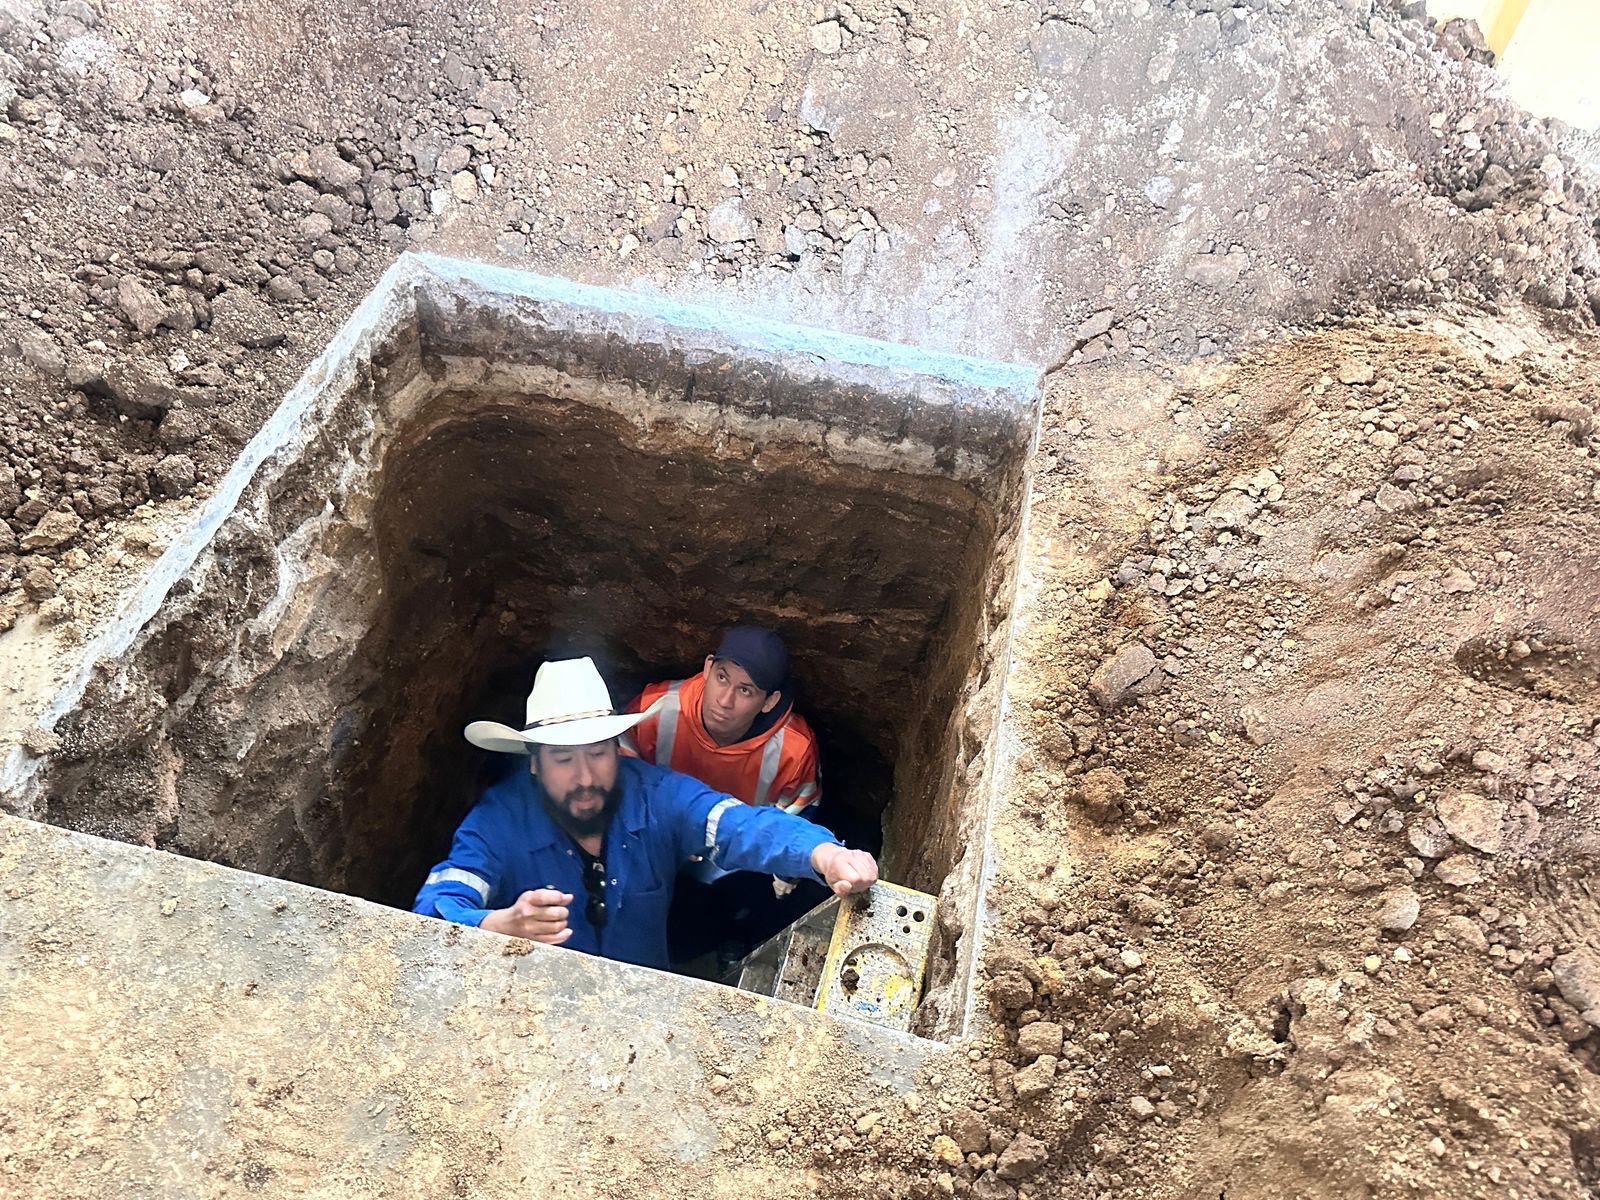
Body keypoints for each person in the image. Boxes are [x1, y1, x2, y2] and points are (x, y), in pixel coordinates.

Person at [412, 657, 878, 970]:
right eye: (562, 759)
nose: (584, 777)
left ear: (617, 749)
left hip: (645, 1012)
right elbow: (435, 908)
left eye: (597, 753)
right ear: (534, 763)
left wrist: (821, 853)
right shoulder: (498, 821)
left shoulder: (656, 796)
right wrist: (493, 926)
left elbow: (737, 825)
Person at [622, 626, 820, 816]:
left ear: (770, 701)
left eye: (745, 690)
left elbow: (790, 839)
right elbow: (616, 794)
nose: (725, 701)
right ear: (708, 668)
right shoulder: (651, 711)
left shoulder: (793, 754)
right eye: (722, 678)